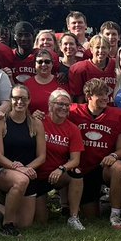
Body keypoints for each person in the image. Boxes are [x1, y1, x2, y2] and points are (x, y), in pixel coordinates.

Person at [68, 78, 121, 230]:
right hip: (84, 169)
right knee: (92, 216)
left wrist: (113, 156)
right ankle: (102, 201)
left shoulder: (117, 115)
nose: (105, 98)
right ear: (88, 96)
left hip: (104, 167)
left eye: (106, 94)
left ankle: (115, 214)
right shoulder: (74, 112)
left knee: (118, 167)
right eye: (100, 94)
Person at [0, 85, 47, 236]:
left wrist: (26, 169)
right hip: (3, 171)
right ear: (10, 100)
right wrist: (19, 169)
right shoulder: (0, 122)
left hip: (28, 173)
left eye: (23, 98)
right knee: (21, 180)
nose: (19, 102)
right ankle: (7, 226)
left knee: (24, 223)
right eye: (16, 98)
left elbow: (42, 156)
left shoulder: (36, 123)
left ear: (29, 100)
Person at [39, 90, 87, 230]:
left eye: (67, 105)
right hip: (37, 175)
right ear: (50, 104)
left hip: (57, 175)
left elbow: (75, 160)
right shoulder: (39, 122)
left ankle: (73, 217)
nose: (64, 108)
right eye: (60, 104)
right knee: (39, 221)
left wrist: (61, 169)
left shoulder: (72, 129)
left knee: (76, 173)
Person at [68, 35, 117, 104]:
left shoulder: (116, 64)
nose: (101, 51)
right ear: (91, 49)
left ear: (109, 49)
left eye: (104, 47)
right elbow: (78, 97)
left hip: (113, 106)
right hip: (90, 108)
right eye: (97, 47)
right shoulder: (80, 69)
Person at [23, 48, 63, 116]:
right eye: (40, 62)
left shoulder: (61, 81)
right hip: (34, 121)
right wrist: (31, 116)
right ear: (35, 64)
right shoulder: (27, 85)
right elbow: (23, 109)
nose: (43, 64)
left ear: (52, 64)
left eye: (47, 62)